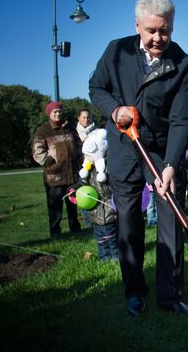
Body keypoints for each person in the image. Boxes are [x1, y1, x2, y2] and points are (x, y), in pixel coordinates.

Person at [89, 0, 188, 317]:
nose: (158, 38)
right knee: (129, 220)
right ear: (138, 25)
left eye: (164, 31)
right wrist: (115, 110)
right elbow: (97, 87)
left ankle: (170, 295)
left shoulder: (184, 65)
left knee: (171, 214)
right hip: (125, 147)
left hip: (163, 149)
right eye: (151, 30)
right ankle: (134, 291)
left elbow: (182, 120)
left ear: (172, 27)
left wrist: (170, 165)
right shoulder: (116, 51)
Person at [32, 101, 82, 238]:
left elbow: (78, 145)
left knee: (73, 204)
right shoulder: (43, 131)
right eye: (55, 112)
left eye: (60, 111)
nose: (58, 114)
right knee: (55, 207)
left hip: (72, 174)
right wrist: (49, 161)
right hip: (54, 176)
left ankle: (75, 228)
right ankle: (55, 231)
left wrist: (81, 159)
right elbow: (38, 152)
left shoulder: (70, 128)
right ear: (49, 113)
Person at [77, 128, 118, 261]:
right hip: (94, 210)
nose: (86, 158)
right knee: (99, 236)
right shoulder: (88, 171)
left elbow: (113, 187)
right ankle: (104, 256)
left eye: (88, 155)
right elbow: (83, 186)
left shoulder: (106, 169)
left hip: (107, 209)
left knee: (110, 234)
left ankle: (115, 255)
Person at [75, 108, 96, 228]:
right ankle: (88, 222)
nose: (86, 119)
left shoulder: (97, 131)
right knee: (84, 193)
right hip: (81, 169)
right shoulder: (74, 133)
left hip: (94, 168)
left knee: (96, 193)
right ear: (79, 118)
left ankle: (96, 219)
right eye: (83, 117)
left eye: (88, 117)